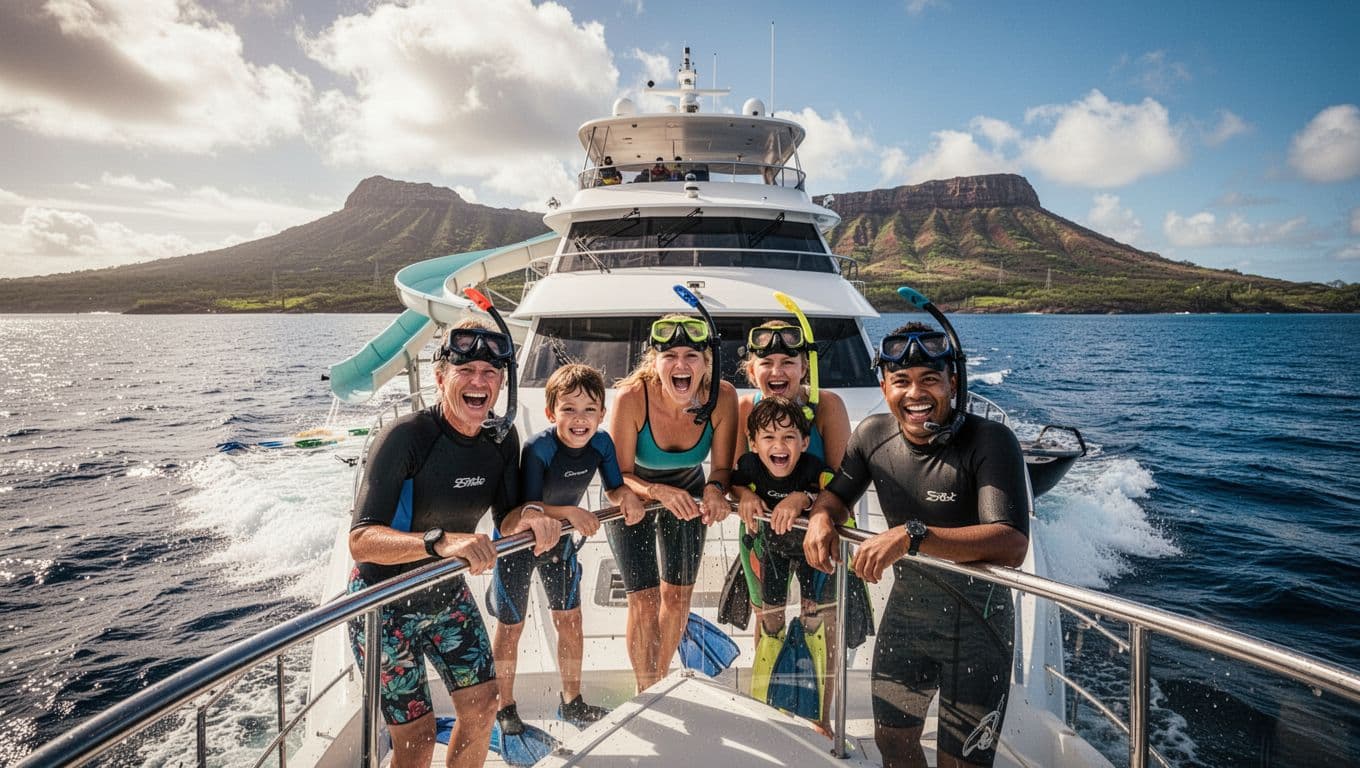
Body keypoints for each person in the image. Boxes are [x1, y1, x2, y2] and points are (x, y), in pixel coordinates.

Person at [803, 321, 1030, 768]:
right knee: (893, 745)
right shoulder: (873, 436)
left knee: (960, 764)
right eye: (901, 381)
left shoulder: (989, 441)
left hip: (979, 630)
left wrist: (913, 535)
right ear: (884, 385)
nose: (915, 393)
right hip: (907, 622)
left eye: (930, 379)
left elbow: (1011, 542)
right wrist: (821, 518)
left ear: (953, 383)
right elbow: (837, 495)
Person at [346, 319, 560, 768]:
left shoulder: (501, 441)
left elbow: (508, 517)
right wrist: (439, 542)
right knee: (418, 738)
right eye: (467, 371)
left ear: (502, 383)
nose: (479, 382)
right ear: (440, 376)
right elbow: (362, 540)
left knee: (484, 708)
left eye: (490, 373)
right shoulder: (405, 437)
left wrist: (535, 516)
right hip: (384, 603)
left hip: (446, 596)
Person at [486, 363, 643, 735]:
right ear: (550, 412)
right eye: (568, 409)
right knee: (511, 626)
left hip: (561, 543)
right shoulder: (539, 448)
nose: (579, 419)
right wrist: (572, 511)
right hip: (517, 544)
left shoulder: (602, 443)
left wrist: (628, 498)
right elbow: (530, 509)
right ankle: (504, 706)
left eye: (589, 410)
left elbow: (614, 487)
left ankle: (571, 701)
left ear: (602, 414)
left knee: (570, 621)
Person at [607, 312, 738, 692]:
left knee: (677, 598)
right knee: (644, 601)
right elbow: (619, 475)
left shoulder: (722, 396)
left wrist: (714, 490)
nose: (681, 365)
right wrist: (657, 492)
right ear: (655, 361)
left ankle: (659, 682)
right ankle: (642, 688)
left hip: (689, 493)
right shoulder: (633, 396)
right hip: (633, 495)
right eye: (670, 357)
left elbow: (722, 468)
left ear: (706, 362)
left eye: (691, 357)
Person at [728, 396, 838, 726]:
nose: (779, 445)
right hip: (771, 550)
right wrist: (745, 495)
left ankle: (816, 715)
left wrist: (802, 496)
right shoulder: (748, 465)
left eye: (789, 437)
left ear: (804, 442)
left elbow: (833, 486)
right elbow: (733, 484)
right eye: (769, 437)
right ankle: (766, 712)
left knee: (813, 620)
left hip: (808, 552)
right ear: (753, 443)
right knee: (771, 623)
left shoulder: (812, 468)